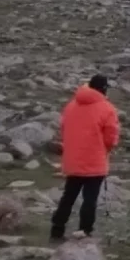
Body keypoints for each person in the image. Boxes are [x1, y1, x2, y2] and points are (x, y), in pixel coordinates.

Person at [50, 74, 120, 242]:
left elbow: (64, 129)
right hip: (94, 160)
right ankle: (85, 230)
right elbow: (111, 137)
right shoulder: (107, 108)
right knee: (90, 198)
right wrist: (106, 149)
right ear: (104, 89)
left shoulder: (71, 105)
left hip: (73, 159)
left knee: (68, 196)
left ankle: (57, 229)